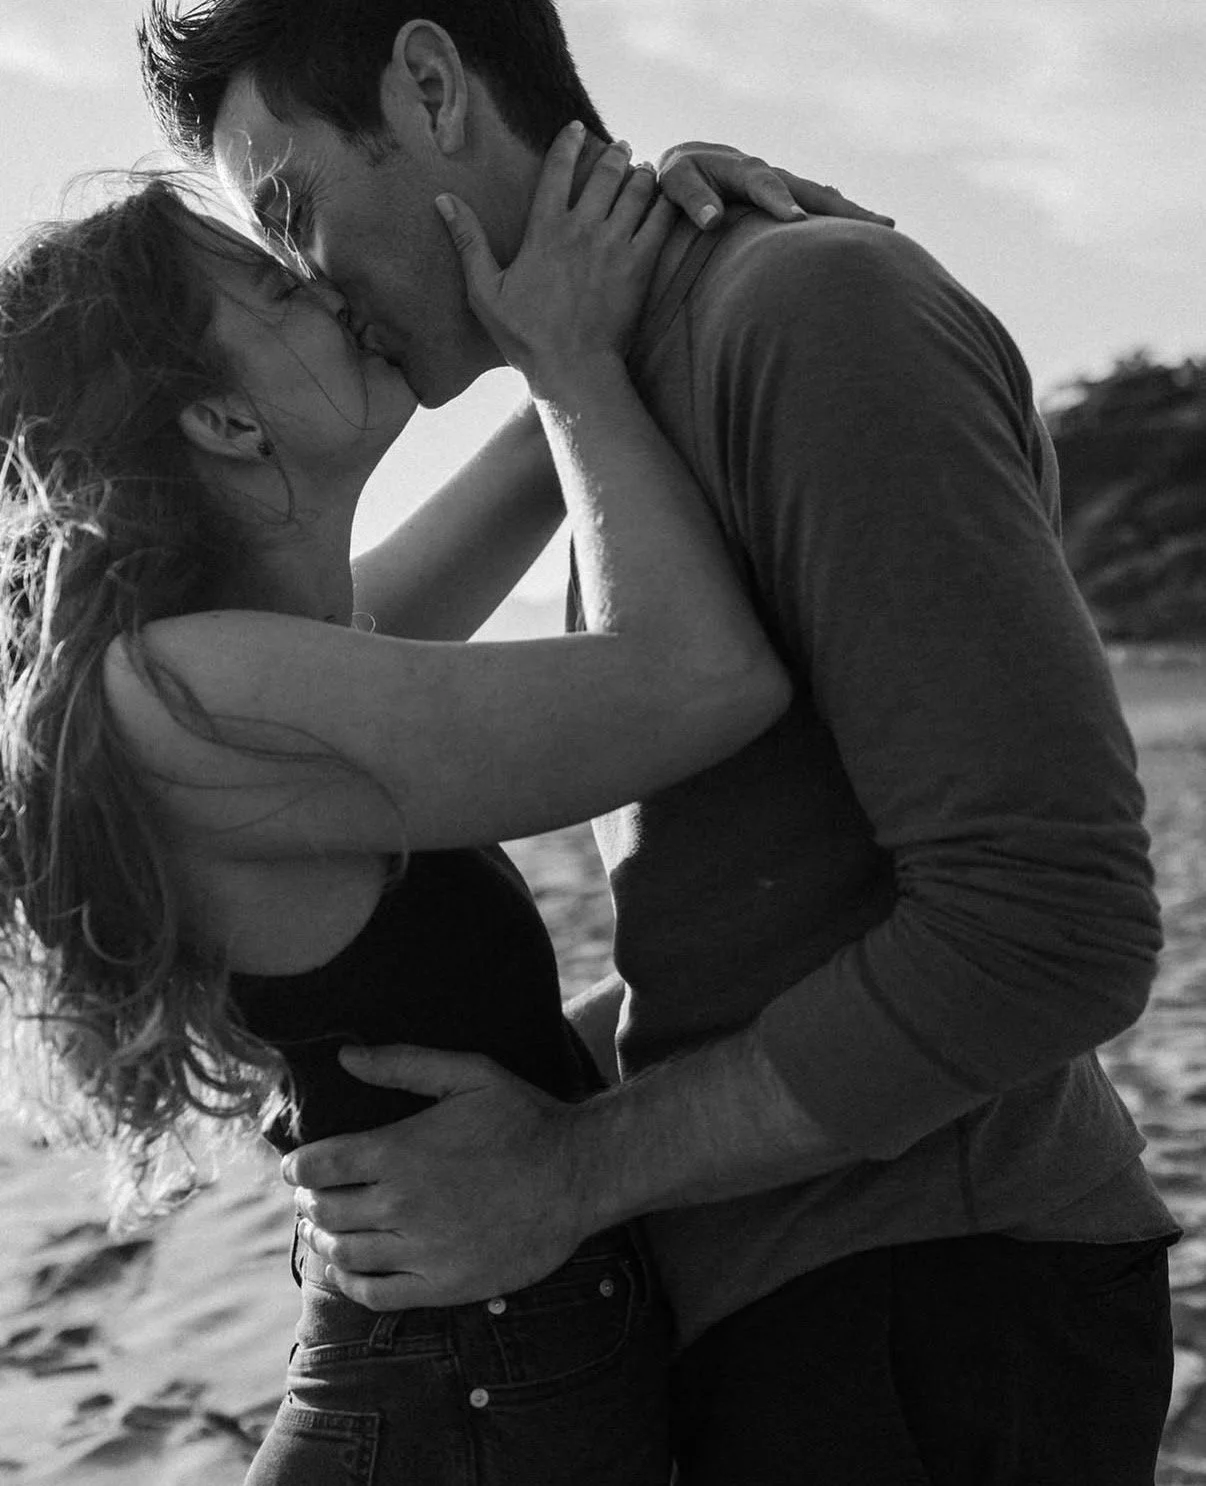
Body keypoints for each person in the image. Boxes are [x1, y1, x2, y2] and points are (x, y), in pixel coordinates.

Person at [140, 2, 1181, 1482]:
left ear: (431, 86)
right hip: (770, 1290)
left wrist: (572, 1166)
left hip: (928, 1301)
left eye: (296, 208)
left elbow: (1050, 930)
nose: (305, 277)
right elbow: (746, 913)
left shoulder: (808, 312)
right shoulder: (622, 387)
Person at [0, 133, 854, 1481]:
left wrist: (655, 229)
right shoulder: (190, 695)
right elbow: (700, 682)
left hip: (491, 1377)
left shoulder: (284, 655)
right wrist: (570, 354)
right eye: (278, 291)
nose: (330, 289)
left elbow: (548, 443)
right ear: (224, 423)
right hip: (446, 1411)